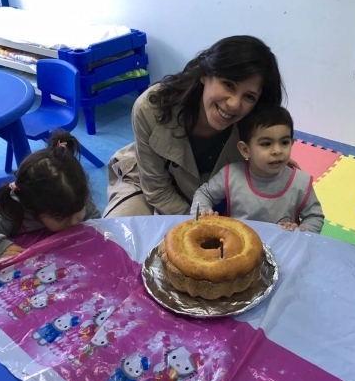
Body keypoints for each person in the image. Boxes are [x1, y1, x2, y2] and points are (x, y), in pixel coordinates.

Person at [104, 35, 286, 218]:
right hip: (144, 183)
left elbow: (285, 201)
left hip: (208, 196)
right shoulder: (151, 108)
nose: (233, 104)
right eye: (228, 85)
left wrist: (271, 164)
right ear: (204, 75)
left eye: (249, 97)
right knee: (115, 232)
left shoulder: (254, 126)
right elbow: (156, 190)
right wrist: (197, 223)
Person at [0, 131, 101, 262]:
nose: (74, 221)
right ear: (32, 208)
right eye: (60, 218)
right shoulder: (12, 212)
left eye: (79, 209)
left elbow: (95, 221)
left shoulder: (74, 197)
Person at [192, 105, 324, 233]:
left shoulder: (301, 182)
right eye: (266, 144)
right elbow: (204, 194)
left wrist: (300, 233)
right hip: (239, 243)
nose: (277, 150)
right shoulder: (231, 175)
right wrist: (203, 211)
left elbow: (314, 217)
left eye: (284, 142)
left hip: (282, 245)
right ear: (245, 150)